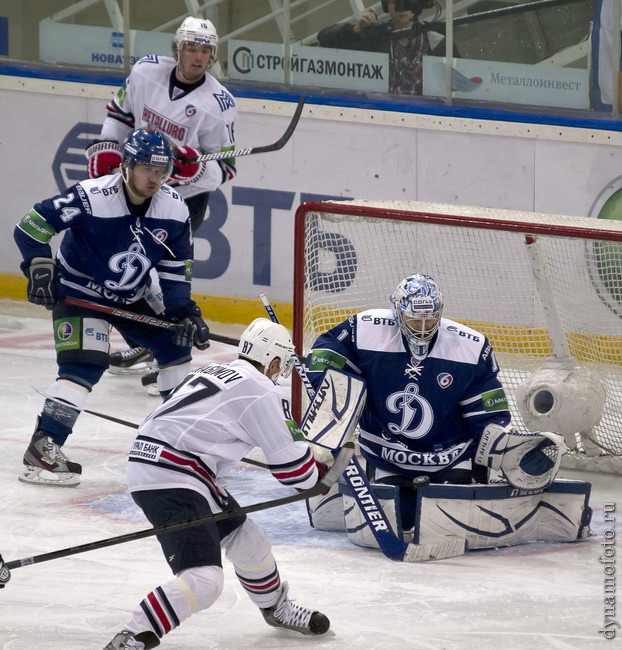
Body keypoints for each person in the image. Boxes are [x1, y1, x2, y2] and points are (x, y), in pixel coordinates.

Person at [104, 318, 330, 649]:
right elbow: (295, 473)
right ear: (275, 360)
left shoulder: (212, 371)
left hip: (172, 468)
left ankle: (275, 608)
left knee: (248, 538)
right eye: (281, 365)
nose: (280, 374)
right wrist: (322, 472)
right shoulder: (262, 389)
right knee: (204, 581)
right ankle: (133, 636)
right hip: (174, 475)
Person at [13, 128, 210, 488]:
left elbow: (175, 266)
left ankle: (179, 443)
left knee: (174, 346)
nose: (154, 178)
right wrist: (40, 268)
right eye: (147, 169)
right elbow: (31, 226)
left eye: (161, 171)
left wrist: (183, 311)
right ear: (127, 165)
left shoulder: (174, 207)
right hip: (79, 292)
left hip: (132, 294)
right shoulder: (92, 197)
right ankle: (44, 447)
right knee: (83, 365)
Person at [85, 16, 237, 372]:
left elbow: (225, 169)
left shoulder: (219, 103)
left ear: (212, 56)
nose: (198, 57)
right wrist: (108, 145)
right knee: (129, 269)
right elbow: (119, 114)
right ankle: (145, 342)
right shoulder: (145, 72)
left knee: (157, 270)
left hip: (179, 201)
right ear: (177, 48)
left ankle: (165, 349)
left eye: (205, 51)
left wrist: (193, 170)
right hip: (133, 188)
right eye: (191, 48)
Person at [305, 274, 511, 524]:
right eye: (415, 320)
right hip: (387, 458)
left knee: (449, 524)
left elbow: (487, 407)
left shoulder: (471, 346)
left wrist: (500, 444)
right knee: (400, 521)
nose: (423, 328)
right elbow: (330, 349)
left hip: (452, 457)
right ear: (398, 311)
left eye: (430, 319)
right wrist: (326, 380)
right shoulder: (367, 329)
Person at [317, 0, 458, 95]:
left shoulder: (438, 42)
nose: (400, 6)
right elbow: (324, 37)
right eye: (394, 1)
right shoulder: (376, 37)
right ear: (386, 7)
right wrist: (355, 30)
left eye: (406, 1)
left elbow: (458, 88)